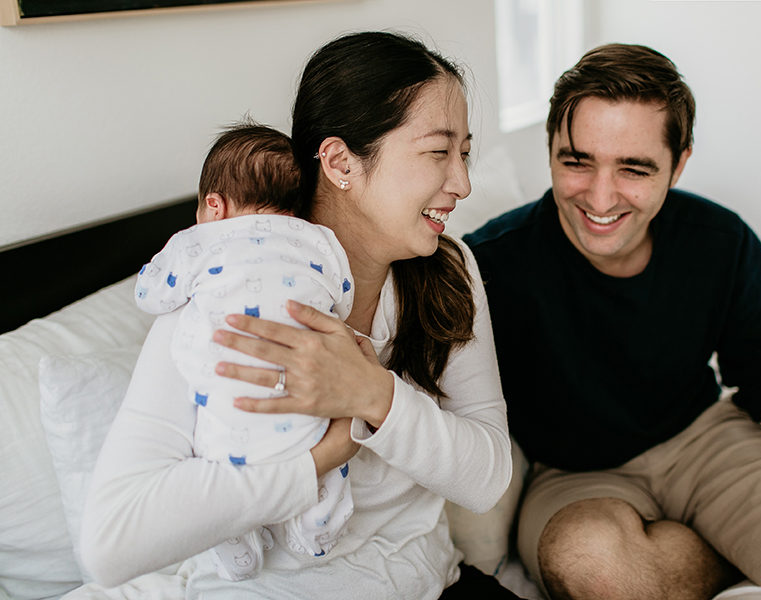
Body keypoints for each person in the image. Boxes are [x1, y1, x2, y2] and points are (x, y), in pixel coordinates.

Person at [81, 31, 520, 599]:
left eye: (463, 153)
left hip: (429, 583)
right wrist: (315, 462)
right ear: (340, 161)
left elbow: (487, 477)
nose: (461, 183)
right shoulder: (226, 291)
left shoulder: (448, 270)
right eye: (439, 152)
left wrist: (373, 395)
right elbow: (110, 540)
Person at [463, 43, 761, 600]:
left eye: (634, 168)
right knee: (593, 570)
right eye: (576, 161)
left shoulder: (720, 242)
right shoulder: (488, 265)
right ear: (550, 150)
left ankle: (738, 539)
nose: (599, 198)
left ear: (680, 162)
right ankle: (732, 550)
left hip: (706, 441)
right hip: (574, 475)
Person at [134, 123, 355, 581]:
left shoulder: (196, 241)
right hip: (305, 412)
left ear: (214, 205)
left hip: (231, 418)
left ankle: (235, 539)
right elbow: (344, 296)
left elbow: (151, 295)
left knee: (212, 478)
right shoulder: (319, 240)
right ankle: (316, 531)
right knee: (326, 471)